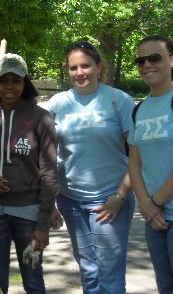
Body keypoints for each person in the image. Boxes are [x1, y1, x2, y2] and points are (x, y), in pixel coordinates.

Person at [46, 42, 135, 293]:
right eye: (73, 68)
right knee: (88, 270)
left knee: (109, 274)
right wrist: (49, 201)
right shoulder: (57, 103)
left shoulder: (119, 100)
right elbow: (47, 156)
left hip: (110, 199)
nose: (79, 72)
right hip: (71, 200)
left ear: (99, 67)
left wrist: (120, 196)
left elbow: (138, 155)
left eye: (85, 65)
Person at [0, 53, 58, 293]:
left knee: (33, 278)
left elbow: (49, 172)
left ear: (25, 83)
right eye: (3, 80)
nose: (9, 86)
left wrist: (43, 223)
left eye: (16, 80)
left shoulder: (40, 117)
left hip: (29, 211)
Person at [128, 35, 173, 293]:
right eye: (140, 60)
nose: (146, 64)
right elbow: (135, 165)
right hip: (154, 219)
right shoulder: (140, 109)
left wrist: (153, 204)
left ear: (171, 59)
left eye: (154, 57)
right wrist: (147, 206)